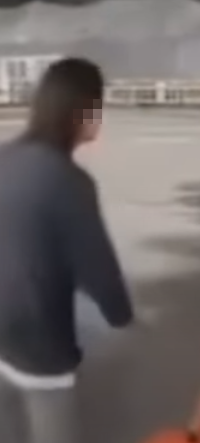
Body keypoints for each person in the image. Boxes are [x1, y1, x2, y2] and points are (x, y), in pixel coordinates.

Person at [0, 57, 134, 443]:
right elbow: (98, 268)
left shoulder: (5, 157)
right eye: (98, 107)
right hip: (40, 339)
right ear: (82, 109)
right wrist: (122, 317)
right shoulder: (70, 181)